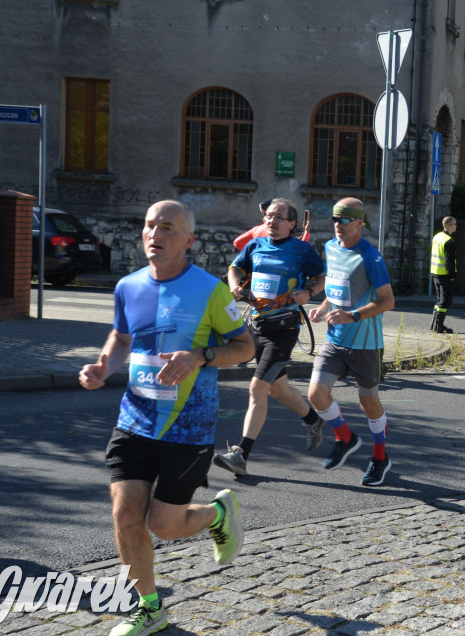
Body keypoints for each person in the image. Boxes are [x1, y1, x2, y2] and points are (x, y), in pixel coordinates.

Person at [78, 201, 255, 636]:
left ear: (188, 240)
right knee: (125, 515)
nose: (154, 234)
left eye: (167, 227)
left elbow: (245, 347)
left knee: (164, 525)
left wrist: (200, 356)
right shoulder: (128, 286)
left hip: (188, 428)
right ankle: (150, 608)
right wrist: (103, 366)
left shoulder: (211, 290)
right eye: (149, 226)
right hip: (134, 420)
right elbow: (122, 336)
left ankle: (217, 513)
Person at [212, 199, 327, 477]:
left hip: (284, 329)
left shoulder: (301, 250)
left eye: (279, 217)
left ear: (292, 224)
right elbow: (235, 268)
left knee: (257, 388)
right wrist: (235, 286)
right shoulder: (256, 245)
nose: (272, 221)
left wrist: (310, 293)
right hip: (257, 327)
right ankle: (313, 420)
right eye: (269, 217)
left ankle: (240, 455)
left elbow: (323, 276)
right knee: (278, 389)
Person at [307, 198, 396, 486]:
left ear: (359, 222)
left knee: (368, 403)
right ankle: (345, 438)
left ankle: (380, 457)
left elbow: (388, 301)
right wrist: (323, 307)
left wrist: (353, 316)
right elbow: (335, 286)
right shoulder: (331, 248)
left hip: (366, 345)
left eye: (344, 219)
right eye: (335, 219)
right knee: (316, 394)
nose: (338, 224)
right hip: (335, 341)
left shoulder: (370, 257)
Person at [233, 199, 311, 251]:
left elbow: (237, 242)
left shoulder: (256, 229)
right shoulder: (279, 231)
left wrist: (254, 255)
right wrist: (306, 233)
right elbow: (299, 250)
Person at [430, 215, 458, 334]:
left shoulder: (437, 237)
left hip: (435, 271)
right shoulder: (449, 241)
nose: (456, 226)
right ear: (450, 226)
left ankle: (434, 324)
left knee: (439, 300)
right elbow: (449, 261)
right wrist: (452, 275)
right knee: (445, 301)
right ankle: (439, 326)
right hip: (444, 274)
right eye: (455, 224)